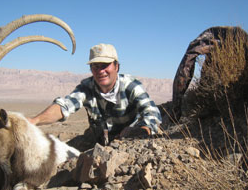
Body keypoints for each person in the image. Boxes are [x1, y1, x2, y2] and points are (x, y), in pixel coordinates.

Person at [27, 43, 162, 149]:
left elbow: (152, 112)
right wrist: (34, 121)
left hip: (129, 141)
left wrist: (142, 130)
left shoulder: (130, 86)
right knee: (63, 155)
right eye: (95, 66)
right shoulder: (86, 88)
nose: (100, 71)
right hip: (99, 139)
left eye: (105, 65)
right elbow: (65, 106)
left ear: (117, 67)